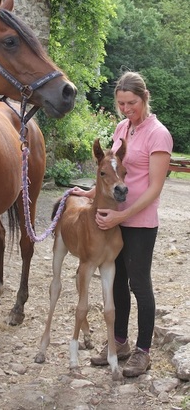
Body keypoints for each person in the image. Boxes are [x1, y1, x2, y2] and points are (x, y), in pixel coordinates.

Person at [72, 72, 172, 377]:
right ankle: (119, 341)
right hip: (112, 218)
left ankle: (143, 351)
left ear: (144, 97)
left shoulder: (159, 134)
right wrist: (88, 193)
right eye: (121, 103)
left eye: (131, 102)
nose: (126, 108)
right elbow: (111, 172)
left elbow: (155, 187)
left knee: (139, 284)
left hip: (139, 222)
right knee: (116, 282)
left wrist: (121, 216)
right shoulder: (121, 128)